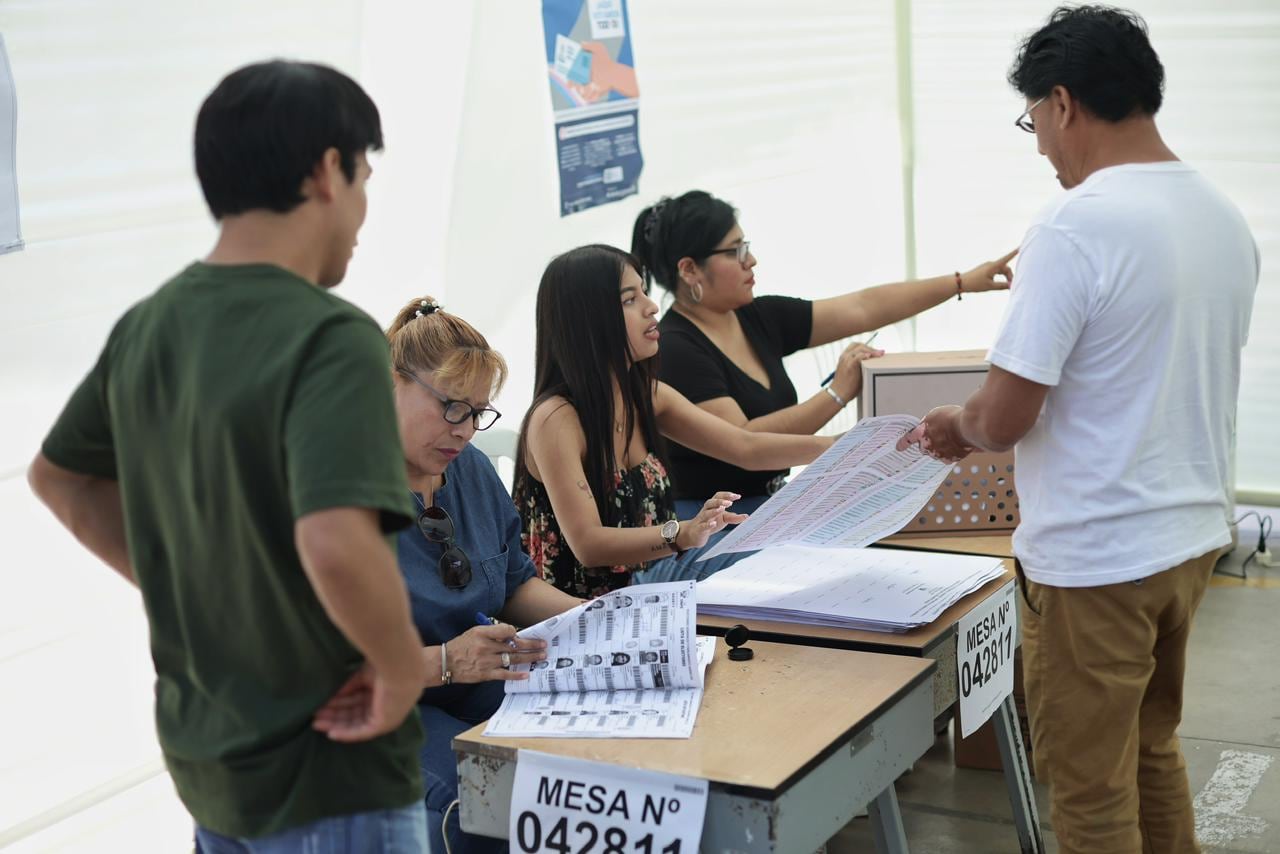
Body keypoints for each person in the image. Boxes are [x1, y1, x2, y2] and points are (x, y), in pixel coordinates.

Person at [27, 62, 433, 850]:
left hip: (210, 761)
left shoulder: (148, 326)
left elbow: (61, 482)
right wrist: (400, 667)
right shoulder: (332, 335)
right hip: (333, 770)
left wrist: (203, 584)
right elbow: (335, 539)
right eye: (364, 177)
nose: (362, 211)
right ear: (326, 171)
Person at [897, 8, 1259, 853]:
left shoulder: (1074, 226)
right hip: (1191, 537)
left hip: (1098, 559)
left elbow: (1005, 413)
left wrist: (957, 424)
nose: (1038, 146)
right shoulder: (1220, 216)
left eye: (1033, 121)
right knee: (1151, 749)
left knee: (1091, 794)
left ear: (1063, 103)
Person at [631, 190, 1015, 518]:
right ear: (690, 270)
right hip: (713, 520)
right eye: (736, 251)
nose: (751, 260)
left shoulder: (757, 316)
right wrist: (836, 397)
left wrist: (962, 282)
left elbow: (863, 307)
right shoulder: (676, 348)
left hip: (769, 503)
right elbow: (746, 442)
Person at [368, 297, 583, 854]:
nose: (464, 431)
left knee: (586, 749)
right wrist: (445, 661)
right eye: (451, 408)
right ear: (390, 384)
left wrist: (600, 620)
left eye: (479, 412)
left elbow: (513, 584)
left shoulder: (471, 470)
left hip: (468, 679)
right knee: (478, 805)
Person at [514, 244, 832, 599]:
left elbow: (746, 447)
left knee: (791, 543)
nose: (652, 307)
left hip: (651, 589)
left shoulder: (645, 394)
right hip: (587, 612)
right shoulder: (556, 420)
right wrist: (682, 533)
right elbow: (588, 544)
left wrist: (843, 446)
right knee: (776, 551)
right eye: (629, 300)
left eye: (645, 293)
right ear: (588, 321)